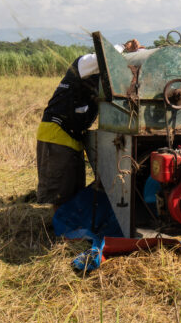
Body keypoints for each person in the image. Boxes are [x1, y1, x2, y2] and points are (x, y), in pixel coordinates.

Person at [36, 40, 141, 209]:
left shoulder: (103, 80)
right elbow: (104, 57)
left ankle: (68, 226)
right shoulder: (84, 63)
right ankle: (60, 231)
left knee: (73, 188)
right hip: (56, 133)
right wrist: (125, 47)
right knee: (60, 192)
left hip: (73, 135)